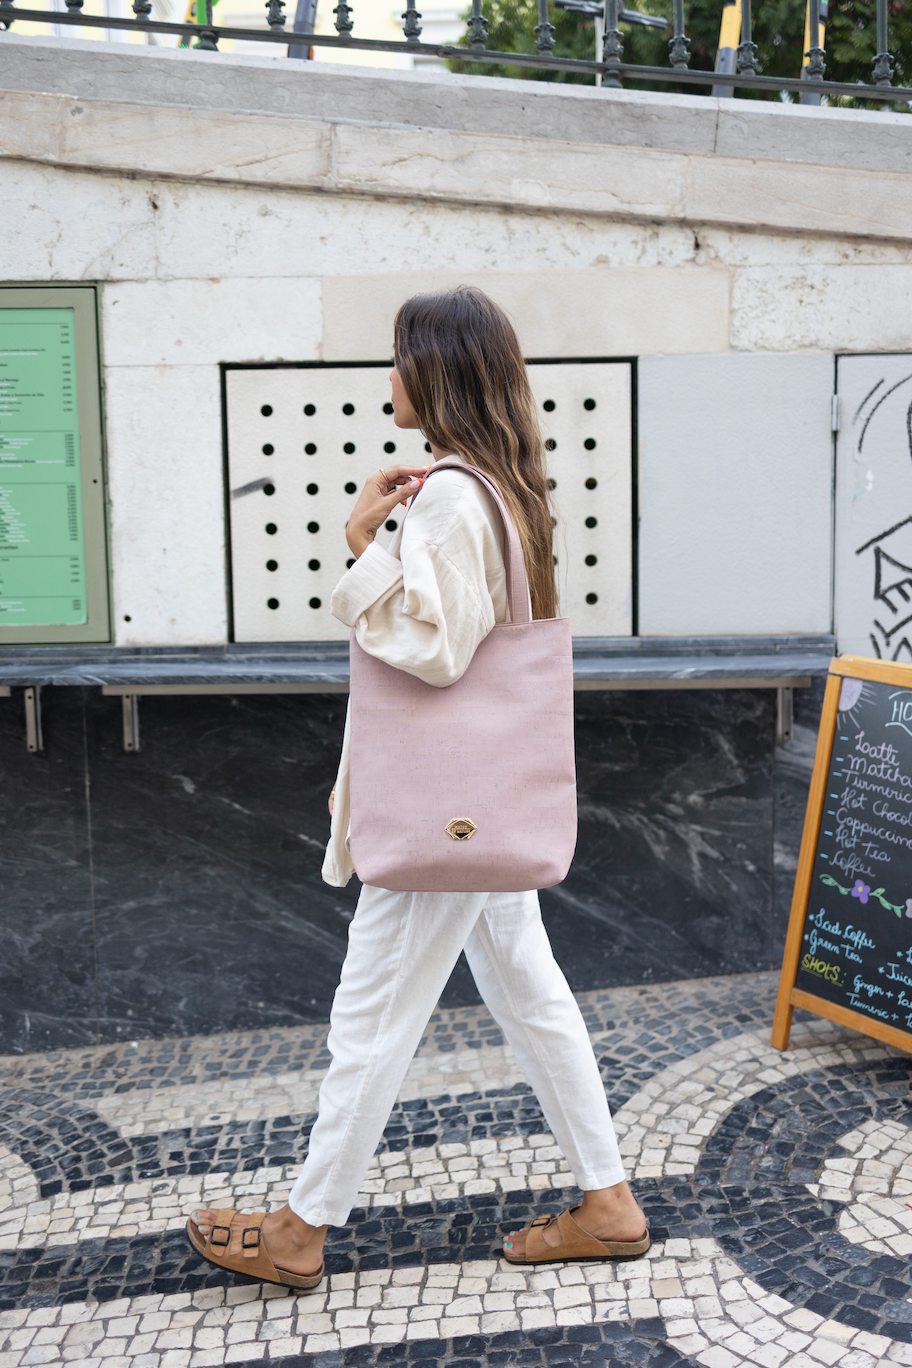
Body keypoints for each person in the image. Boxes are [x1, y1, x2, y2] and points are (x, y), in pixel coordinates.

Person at [187, 285, 649, 1291]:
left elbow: (433, 654)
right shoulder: (503, 488)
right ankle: (608, 1201)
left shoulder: (447, 496)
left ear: (435, 372)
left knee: (372, 1019)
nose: (386, 377)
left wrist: (361, 548)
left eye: (397, 357)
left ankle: (301, 1230)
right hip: (471, 803)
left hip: (446, 817)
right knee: (531, 994)